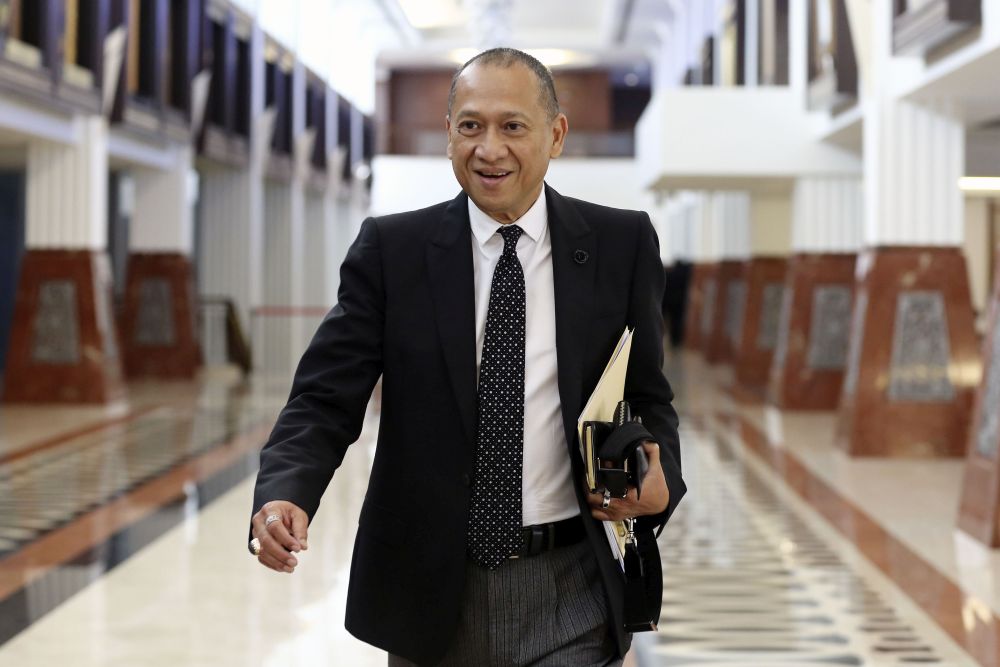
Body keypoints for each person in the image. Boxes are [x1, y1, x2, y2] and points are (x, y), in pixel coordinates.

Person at [248, 47, 686, 667]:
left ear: (556, 135)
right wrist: (285, 490)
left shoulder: (621, 244)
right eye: (471, 126)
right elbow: (325, 397)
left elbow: (647, 394)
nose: (489, 149)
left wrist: (661, 474)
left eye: (513, 126)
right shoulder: (393, 252)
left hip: (574, 584)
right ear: (449, 135)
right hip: (430, 590)